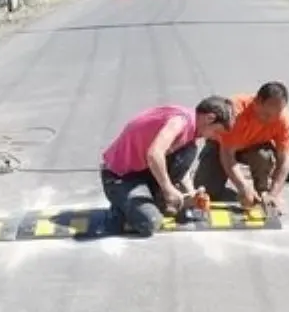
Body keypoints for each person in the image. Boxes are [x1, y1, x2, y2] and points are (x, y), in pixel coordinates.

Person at [100, 96, 234, 235]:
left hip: (144, 171)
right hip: (121, 177)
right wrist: (168, 189)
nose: (215, 137)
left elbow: (182, 167)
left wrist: (192, 193)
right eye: (216, 131)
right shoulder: (180, 121)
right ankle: (121, 208)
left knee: (189, 150)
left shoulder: (191, 131)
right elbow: (154, 154)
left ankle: (151, 200)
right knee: (150, 222)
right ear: (210, 118)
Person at [194, 81, 289, 212]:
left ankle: (262, 192)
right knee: (206, 190)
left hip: (254, 149)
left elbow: (284, 160)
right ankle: (243, 190)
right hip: (221, 147)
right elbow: (227, 155)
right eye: (267, 115)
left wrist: (274, 194)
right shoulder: (235, 112)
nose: (271, 119)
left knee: (264, 155)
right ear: (257, 102)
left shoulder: (283, 119)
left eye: (277, 114)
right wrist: (242, 186)